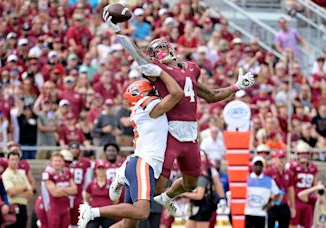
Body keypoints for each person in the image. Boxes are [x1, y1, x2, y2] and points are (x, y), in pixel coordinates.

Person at [103, 11, 254, 217]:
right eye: (157, 50)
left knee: (191, 183)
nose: (162, 51)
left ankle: (167, 198)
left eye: (163, 47)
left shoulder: (191, 69)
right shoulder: (156, 70)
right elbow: (138, 56)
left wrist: (237, 86)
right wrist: (119, 33)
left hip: (191, 134)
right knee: (154, 187)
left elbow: (210, 95)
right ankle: (123, 174)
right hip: (171, 133)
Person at [78, 63, 184, 228]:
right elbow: (177, 93)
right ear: (142, 95)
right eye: (152, 91)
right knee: (142, 212)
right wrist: (161, 72)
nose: (156, 93)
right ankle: (92, 212)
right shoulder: (146, 106)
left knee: (128, 224)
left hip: (142, 162)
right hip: (144, 163)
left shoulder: (143, 109)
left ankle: (121, 174)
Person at [182, 151, 225, 228]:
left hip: (205, 204)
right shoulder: (191, 170)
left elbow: (218, 184)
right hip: (194, 203)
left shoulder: (209, 170)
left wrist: (222, 199)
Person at [41, 151, 77, 228]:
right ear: (51, 162)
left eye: (59, 161)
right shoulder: (47, 173)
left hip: (65, 207)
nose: (57, 163)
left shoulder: (67, 172)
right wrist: (67, 191)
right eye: (55, 161)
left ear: (63, 162)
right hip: (52, 206)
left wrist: (61, 189)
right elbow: (55, 193)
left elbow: (75, 190)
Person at [289, 141, 319, 228]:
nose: (303, 156)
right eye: (301, 153)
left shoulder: (313, 167)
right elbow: (289, 185)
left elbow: (315, 185)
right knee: (293, 224)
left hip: (308, 199)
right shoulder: (292, 166)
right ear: (297, 154)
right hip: (296, 199)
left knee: (307, 225)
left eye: (305, 153)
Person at [245, 156, 279, 228]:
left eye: (260, 165)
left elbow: (277, 194)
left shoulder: (269, 180)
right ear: (252, 166)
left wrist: (270, 204)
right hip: (247, 213)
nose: (258, 167)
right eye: (256, 164)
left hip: (261, 214)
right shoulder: (246, 179)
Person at [264, 150, 296, 228]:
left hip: (283, 204)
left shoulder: (288, 173)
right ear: (275, 159)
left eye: (283, 158)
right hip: (272, 204)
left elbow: (291, 190)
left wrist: (292, 206)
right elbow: (264, 187)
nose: (281, 161)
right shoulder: (268, 172)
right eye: (279, 158)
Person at [1, 151, 33, 228]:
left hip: (23, 205)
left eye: (16, 159)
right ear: (8, 160)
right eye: (12, 159)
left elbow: (30, 192)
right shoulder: (6, 175)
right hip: (12, 207)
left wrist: (17, 192)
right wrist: (24, 187)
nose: (14, 162)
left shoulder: (22, 174)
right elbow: (11, 192)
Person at [84, 159, 116, 228]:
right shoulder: (91, 184)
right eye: (99, 168)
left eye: (103, 168)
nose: (101, 171)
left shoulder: (111, 183)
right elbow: (87, 197)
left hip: (108, 212)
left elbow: (116, 199)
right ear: (95, 170)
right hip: (94, 212)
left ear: (106, 170)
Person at [68, 142, 92, 227]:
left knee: (77, 220)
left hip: (78, 194)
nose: (74, 150)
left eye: (76, 148)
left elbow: (87, 181)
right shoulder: (63, 162)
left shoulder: (85, 162)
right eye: (72, 148)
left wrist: (85, 195)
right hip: (66, 195)